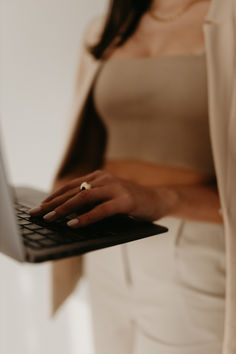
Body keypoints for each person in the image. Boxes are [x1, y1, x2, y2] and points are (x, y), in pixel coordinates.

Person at [29, 0, 236, 353]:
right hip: (103, 246)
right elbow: (87, 152)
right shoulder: (104, 30)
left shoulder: (229, 17)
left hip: (194, 253)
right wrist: (68, 198)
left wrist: (158, 197)